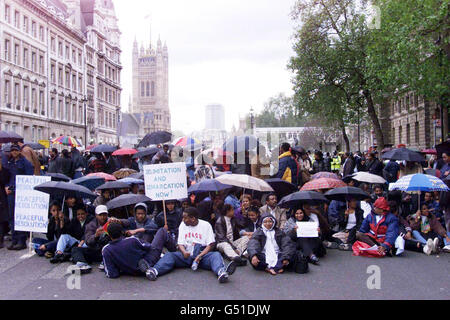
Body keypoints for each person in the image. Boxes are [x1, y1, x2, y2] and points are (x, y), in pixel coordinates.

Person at [145, 207, 237, 283]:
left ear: (192, 218)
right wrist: (184, 252)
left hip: (202, 256)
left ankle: (221, 272)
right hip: (187, 255)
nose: (183, 220)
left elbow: (211, 244)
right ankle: (154, 271)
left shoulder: (206, 225)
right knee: (170, 256)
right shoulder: (182, 225)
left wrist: (200, 256)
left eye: (185, 218)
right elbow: (180, 243)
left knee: (216, 256)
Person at [101, 223, 176, 279]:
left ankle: (157, 260)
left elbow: (111, 273)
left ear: (109, 235)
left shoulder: (106, 249)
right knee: (162, 231)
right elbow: (148, 246)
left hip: (130, 271)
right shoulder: (132, 240)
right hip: (148, 260)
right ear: (121, 232)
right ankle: (175, 253)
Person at [4, 144, 34, 250]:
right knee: (12, 217)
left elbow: (30, 176)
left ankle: (21, 240)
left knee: (20, 216)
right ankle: (14, 239)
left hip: (21, 192)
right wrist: (6, 186)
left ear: (19, 151)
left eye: (16, 150)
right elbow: (5, 175)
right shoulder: (10, 162)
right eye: (12, 151)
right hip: (10, 192)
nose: (14, 152)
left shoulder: (25, 162)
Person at [71, 205, 112, 274]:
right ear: (96, 215)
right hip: (96, 250)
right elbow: (88, 241)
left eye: (104, 215)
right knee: (76, 249)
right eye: (100, 215)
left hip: (108, 249)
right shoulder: (91, 225)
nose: (102, 217)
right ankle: (82, 264)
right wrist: (95, 236)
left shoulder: (111, 221)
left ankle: (106, 262)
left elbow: (126, 222)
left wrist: (119, 221)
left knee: (107, 239)